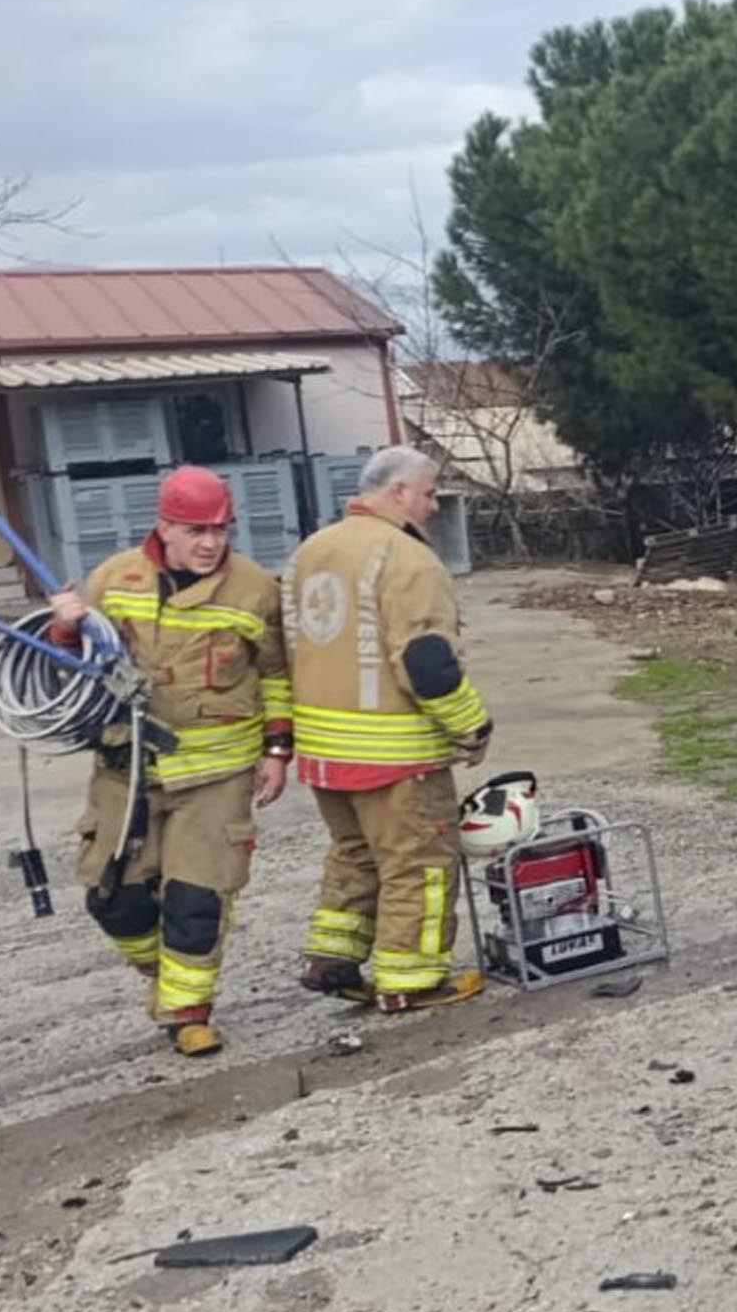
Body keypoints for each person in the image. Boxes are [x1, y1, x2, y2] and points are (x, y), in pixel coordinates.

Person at [46, 466, 292, 1059]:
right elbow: (77, 665)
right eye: (194, 530)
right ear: (164, 527)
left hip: (217, 774)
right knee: (114, 898)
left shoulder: (255, 588)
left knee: (198, 898)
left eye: (220, 530)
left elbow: (277, 673)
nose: (210, 543)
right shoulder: (115, 578)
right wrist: (63, 628)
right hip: (126, 768)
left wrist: (278, 750)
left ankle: (188, 1014)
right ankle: (165, 981)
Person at [284, 447, 494, 1012]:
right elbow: (427, 663)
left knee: (354, 853)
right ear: (398, 492)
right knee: (420, 864)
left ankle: (331, 960)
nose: (431, 507)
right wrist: (472, 725)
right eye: (428, 494)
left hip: (324, 753)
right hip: (394, 754)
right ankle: (411, 980)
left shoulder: (310, 552)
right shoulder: (408, 559)